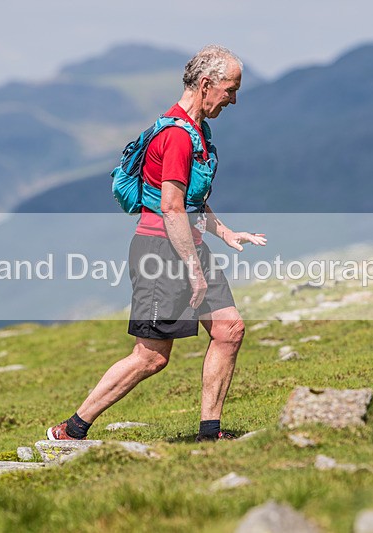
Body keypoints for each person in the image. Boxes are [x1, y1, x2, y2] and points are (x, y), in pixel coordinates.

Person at [47, 45, 266, 443]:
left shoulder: (198, 132)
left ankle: (209, 434)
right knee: (151, 357)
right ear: (206, 85)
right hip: (161, 253)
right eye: (231, 90)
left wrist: (225, 232)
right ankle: (72, 429)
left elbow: (191, 200)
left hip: (186, 246)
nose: (233, 100)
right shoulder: (177, 136)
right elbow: (170, 207)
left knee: (229, 330)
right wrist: (194, 271)